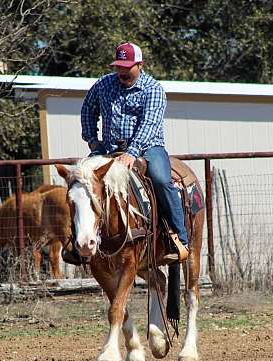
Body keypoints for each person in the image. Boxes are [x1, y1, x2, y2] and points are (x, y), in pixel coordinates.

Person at [62, 42, 189, 265]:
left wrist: (132, 151)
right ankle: (78, 241)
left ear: (140, 65)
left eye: (127, 67)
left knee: (160, 179)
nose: (121, 71)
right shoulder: (103, 84)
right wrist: (93, 141)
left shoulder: (153, 89)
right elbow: (87, 110)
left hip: (149, 148)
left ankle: (177, 238)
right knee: (81, 184)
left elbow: (149, 124)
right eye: (118, 66)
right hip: (109, 150)